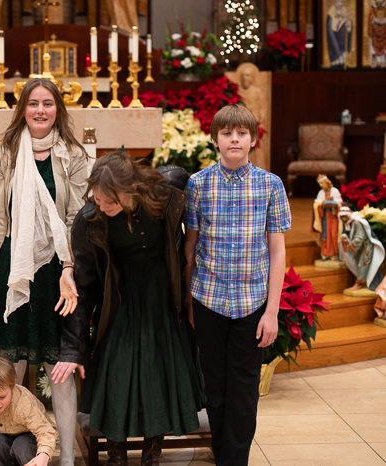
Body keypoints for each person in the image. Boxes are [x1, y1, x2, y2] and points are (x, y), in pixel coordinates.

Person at [0, 77, 89, 466]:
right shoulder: (2, 153)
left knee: (59, 367)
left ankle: (66, 457)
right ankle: (10, 452)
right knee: (7, 366)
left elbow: (75, 219)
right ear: (22, 109)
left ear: (58, 109)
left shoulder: (73, 154)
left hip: (56, 271)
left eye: (48, 103)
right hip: (12, 270)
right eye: (33, 103)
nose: (40, 110)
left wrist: (69, 268)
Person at [52, 152, 206, 466]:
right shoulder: (90, 220)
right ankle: (116, 457)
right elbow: (85, 284)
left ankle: (151, 456)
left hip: (163, 299)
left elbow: (191, 209)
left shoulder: (167, 194)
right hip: (119, 300)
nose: (101, 206)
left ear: (132, 188)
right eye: (97, 198)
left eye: (109, 200)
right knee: (116, 374)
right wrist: (73, 349)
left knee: (159, 374)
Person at [184, 104, 291, 466]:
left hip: (252, 303)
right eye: (227, 133)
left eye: (242, 133)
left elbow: (277, 251)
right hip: (208, 299)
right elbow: (190, 246)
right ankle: (224, 455)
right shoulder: (198, 184)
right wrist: (189, 301)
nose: (234, 139)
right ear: (215, 140)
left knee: (244, 391)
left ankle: (234, 461)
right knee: (215, 388)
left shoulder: (270, 185)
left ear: (253, 139)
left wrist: (272, 312)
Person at [0, 356, 58, 466]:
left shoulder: (24, 404)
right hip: (5, 433)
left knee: (21, 445)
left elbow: (45, 431)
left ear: (13, 386)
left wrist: (43, 455)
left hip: (31, 434)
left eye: (2, 397)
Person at [338, 206, 385, 291]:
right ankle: (376, 283)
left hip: (367, 247)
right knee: (368, 266)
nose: (344, 218)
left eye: (345, 216)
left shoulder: (357, 223)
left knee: (363, 264)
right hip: (360, 248)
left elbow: (360, 237)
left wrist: (350, 245)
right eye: (342, 217)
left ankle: (359, 284)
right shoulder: (347, 223)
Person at [313, 174, 343, 261]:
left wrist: (334, 204)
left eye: (322, 183)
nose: (321, 186)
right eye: (320, 184)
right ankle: (325, 254)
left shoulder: (335, 191)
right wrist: (322, 204)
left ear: (327, 182)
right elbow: (316, 204)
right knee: (325, 235)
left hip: (333, 216)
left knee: (333, 234)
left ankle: (334, 254)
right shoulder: (321, 193)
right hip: (325, 216)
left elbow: (340, 203)